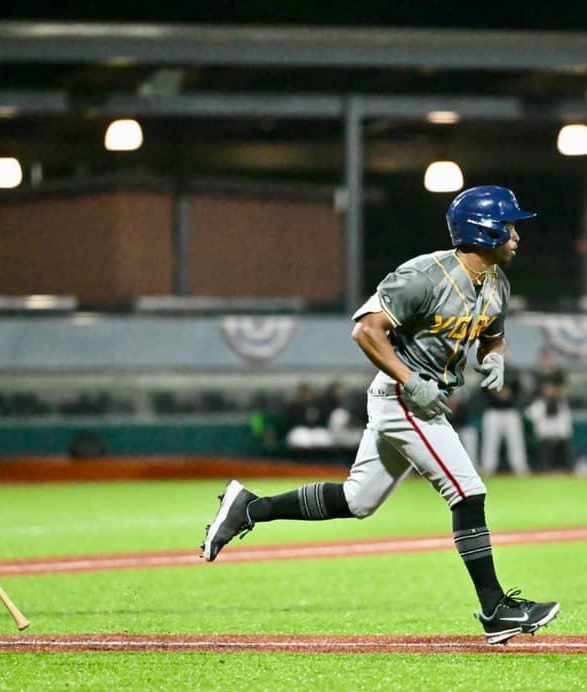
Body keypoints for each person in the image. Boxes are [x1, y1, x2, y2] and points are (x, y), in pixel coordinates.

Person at [201, 185, 559, 645]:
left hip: (419, 397)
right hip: (402, 396)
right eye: (508, 225)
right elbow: (366, 330)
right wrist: (410, 379)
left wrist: (495, 357)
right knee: (468, 491)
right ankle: (495, 609)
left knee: (357, 501)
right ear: (483, 230)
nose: (516, 234)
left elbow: (491, 333)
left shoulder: (496, 282)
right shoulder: (424, 275)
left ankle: (250, 508)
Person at [479, 349, 530, 476]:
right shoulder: (488, 370)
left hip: (510, 411)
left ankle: (520, 468)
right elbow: (483, 390)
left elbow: (520, 391)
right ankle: (487, 468)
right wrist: (497, 392)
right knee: (490, 442)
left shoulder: (514, 371)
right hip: (493, 411)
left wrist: (509, 394)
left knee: (516, 442)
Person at [524, 379, 574, 472]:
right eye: (547, 390)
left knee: (564, 446)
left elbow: (567, 420)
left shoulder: (561, 403)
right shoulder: (539, 404)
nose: (549, 392)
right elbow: (528, 415)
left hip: (560, 436)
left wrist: (563, 434)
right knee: (545, 446)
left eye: (551, 389)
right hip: (545, 436)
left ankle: (566, 470)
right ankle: (545, 469)